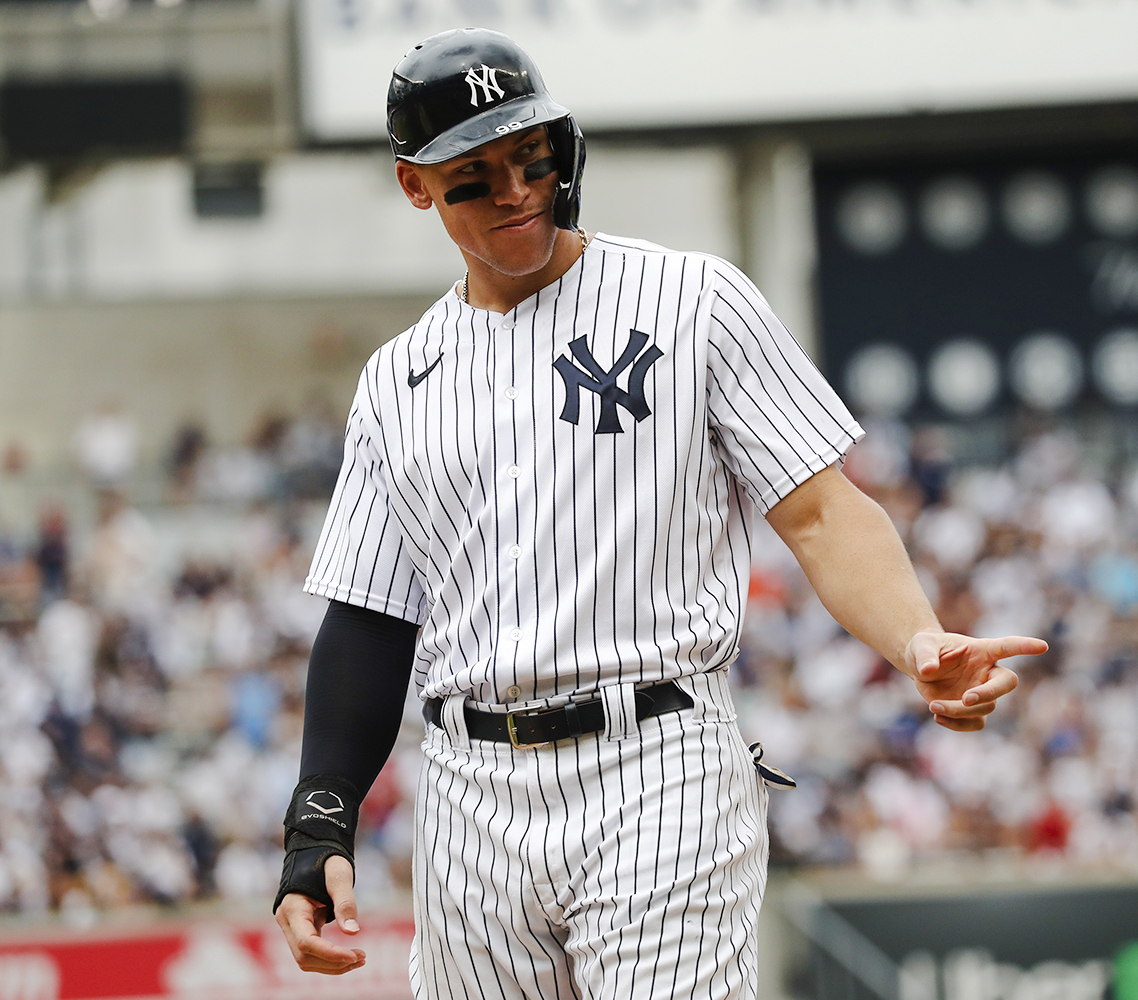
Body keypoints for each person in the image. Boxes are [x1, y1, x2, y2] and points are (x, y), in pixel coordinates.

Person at [273, 27, 1046, 1000]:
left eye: (531, 154)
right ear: (416, 185)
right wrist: (319, 819)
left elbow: (818, 511)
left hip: (658, 757)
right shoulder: (397, 378)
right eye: (475, 173)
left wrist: (917, 638)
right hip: (469, 792)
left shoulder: (691, 300)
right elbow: (368, 618)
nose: (515, 188)